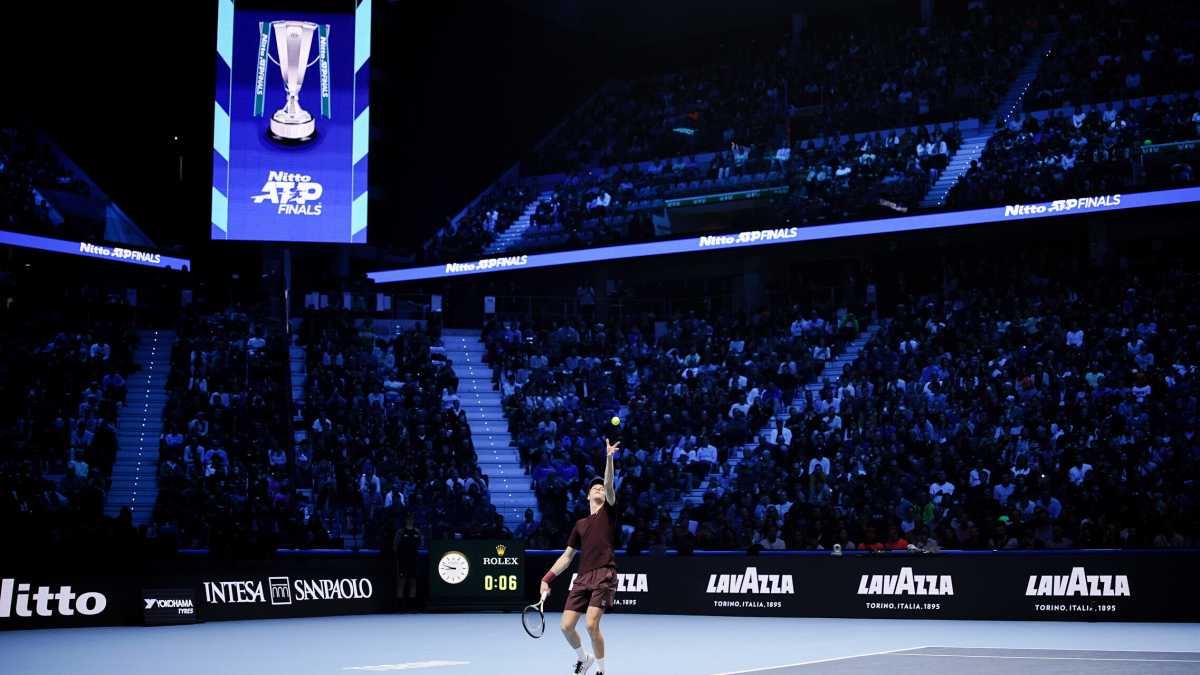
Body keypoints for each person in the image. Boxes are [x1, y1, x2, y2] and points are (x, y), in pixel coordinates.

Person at [540, 438, 619, 675]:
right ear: (586, 497)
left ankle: (602, 671)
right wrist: (546, 579)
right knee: (566, 626)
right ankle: (584, 659)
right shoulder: (580, 525)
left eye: (601, 488)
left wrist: (608, 458)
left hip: (604, 572)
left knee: (591, 623)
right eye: (593, 488)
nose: (598, 488)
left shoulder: (609, 512)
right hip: (582, 577)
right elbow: (566, 557)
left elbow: (609, 482)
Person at [393, 513, 422, 612]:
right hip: (403, 560)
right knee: (402, 582)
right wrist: (399, 557)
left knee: (413, 582)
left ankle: (411, 607)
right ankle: (400, 607)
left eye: (411, 519)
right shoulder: (400, 532)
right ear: (405, 520)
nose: (410, 520)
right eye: (408, 519)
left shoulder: (417, 531)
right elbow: (395, 546)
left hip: (414, 560)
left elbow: (420, 544)